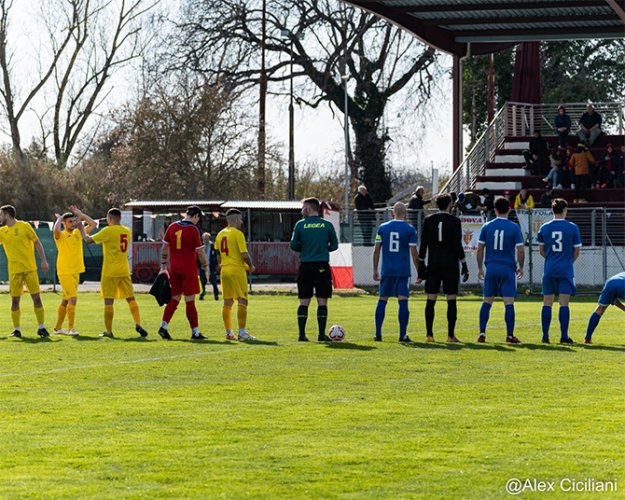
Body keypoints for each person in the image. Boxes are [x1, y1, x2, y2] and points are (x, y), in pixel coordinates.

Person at [78, 207, 148, 338]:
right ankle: (138, 323)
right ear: (120, 218)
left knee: (108, 302)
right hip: (124, 270)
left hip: (110, 271)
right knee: (131, 298)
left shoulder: (108, 231)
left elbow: (87, 240)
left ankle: (109, 331)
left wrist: (81, 229)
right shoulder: (127, 231)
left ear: (109, 219)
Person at [416, 193, 469, 343]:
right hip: (450, 265)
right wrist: (464, 265)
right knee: (451, 299)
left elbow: (423, 245)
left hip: (433, 264)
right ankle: (450, 336)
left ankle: (429, 335)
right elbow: (457, 245)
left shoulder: (428, 220)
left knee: (431, 298)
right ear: (449, 205)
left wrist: (421, 266)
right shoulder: (454, 221)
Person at [476, 196, 525, 343]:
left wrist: (480, 268)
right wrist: (521, 267)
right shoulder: (514, 227)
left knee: (487, 301)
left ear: (495, 210)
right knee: (509, 302)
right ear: (509, 209)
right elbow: (521, 250)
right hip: (507, 268)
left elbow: (480, 249)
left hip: (491, 268)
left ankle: (482, 333)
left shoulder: (486, 226)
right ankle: (509, 335)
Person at [290, 197, 339, 342]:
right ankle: (321, 335)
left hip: (306, 265)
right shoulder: (327, 225)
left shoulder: (300, 225)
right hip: (322, 265)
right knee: (322, 300)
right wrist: (323, 249)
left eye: (303, 207)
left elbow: (293, 245)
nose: (301, 210)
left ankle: (302, 335)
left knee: (304, 301)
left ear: (309, 209)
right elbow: (335, 245)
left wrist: (304, 250)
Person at [158, 206, 209, 340]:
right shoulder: (193, 229)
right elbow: (200, 251)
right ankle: (195, 332)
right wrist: (206, 266)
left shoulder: (172, 226)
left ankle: (163, 326)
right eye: (198, 218)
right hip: (189, 268)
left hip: (174, 267)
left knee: (174, 298)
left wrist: (163, 265)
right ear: (196, 216)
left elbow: (164, 247)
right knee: (190, 301)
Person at [0, 205, 50, 338]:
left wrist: (43, 261)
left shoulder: (25, 226)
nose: (0, 217)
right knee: (15, 301)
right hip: (14, 271)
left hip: (30, 269)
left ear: (7, 215)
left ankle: (41, 327)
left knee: (37, 298)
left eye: (0, 214)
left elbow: (38, 243)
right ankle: (16, 329)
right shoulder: (2, 231)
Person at [372, 202, 419, 342]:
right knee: (403, 301)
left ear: (393, 212)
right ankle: (402, 335)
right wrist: (419, 271)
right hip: (402, 271)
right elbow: (414, 253)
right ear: (405, 213)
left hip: (387, 270)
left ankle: (378, 334)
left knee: (382, 300)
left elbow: (376, 250)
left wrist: (375, 269)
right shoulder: (410, 229)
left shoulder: (382, 228)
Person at [536, 199, 582, 344]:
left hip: (549, 269)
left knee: (547, 302)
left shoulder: (544, 228)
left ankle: (545, 336)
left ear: (552, 210)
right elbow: (576, 251)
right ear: (565, 210)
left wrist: (551, 259)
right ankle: (563, 336)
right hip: (565, 270)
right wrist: (568, 261)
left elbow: (541, 251)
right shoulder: (573, 227)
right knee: (564, 304)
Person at [52, 206, 97, 336]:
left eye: (74, 221)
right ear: (64, 224)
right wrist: (59, 219)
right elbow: (55, 229)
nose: (72, 223)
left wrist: (81, 215)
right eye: (70, 221)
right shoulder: (60, 236)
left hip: (76, 271)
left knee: (65, 301)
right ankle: (71, 329)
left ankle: (57, 328)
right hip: (65, 271)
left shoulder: (78, 233)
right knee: (73, 299)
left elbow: (93, 224)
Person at [215, 209, 257, 341]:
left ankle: (229, 332)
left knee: (227, 301)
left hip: (225, 270)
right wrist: (250, 266)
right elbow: (244, 254)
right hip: (237, 271)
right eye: (240, 219)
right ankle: (242, 332)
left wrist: (224, 265)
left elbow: (218, 256)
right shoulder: (238, 234)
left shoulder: (220, 234)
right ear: (234, 220)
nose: (242, 221)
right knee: (242, 300)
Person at [584, 272, 625, 344]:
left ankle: (587, 338)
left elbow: (614, 300)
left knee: (599, 310)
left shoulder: (620, 275)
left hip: (610, 283)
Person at [199, 232, 219, 301]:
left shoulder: (213, 246)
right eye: (204, 239)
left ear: (209, 239)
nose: (205, 240)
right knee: (202, 282)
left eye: (207, 239)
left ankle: (216, 296)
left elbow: (216, 256)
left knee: (214, 282)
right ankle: (202, 295)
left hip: (211, 267)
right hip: (202, 267)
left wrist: (215, 264)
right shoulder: (200, 246)